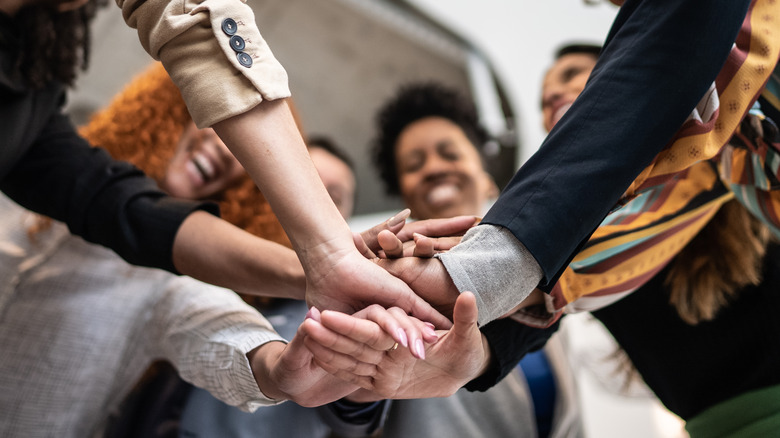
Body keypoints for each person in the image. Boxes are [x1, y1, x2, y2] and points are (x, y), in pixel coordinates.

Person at [0, 64, 435, 437]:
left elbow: (220, 333)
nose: (228, 151)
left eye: (246, 157)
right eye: (219, 119)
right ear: (172, 108)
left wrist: (276, 369)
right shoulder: (38, 168)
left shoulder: (169, 289)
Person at [0, 0, 448, 338]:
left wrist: (316, 264)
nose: (226, 153)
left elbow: (120, 206)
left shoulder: (29, 103)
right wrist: (326, 253)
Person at [365, 82, 580, 438]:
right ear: (404, 192)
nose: (434, 168)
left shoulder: (542, 275)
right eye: (414, 165)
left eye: (450, 153)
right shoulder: (392, 285)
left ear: (487, 179)